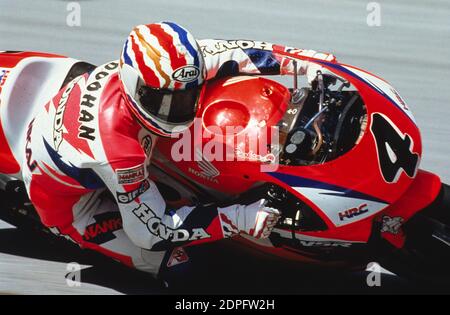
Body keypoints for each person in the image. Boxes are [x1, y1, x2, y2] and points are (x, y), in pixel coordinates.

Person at [21, 22, 336, 277]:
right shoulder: (118, 147)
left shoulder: (178, 66)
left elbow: (246, 53)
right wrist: (238, 218)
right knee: (188, 266)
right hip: (76, 204)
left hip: (110, 139)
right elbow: (151, 230)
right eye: (165, 101)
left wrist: (306, 62)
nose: (178, 110)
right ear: (135, 86)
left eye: (187, 96)